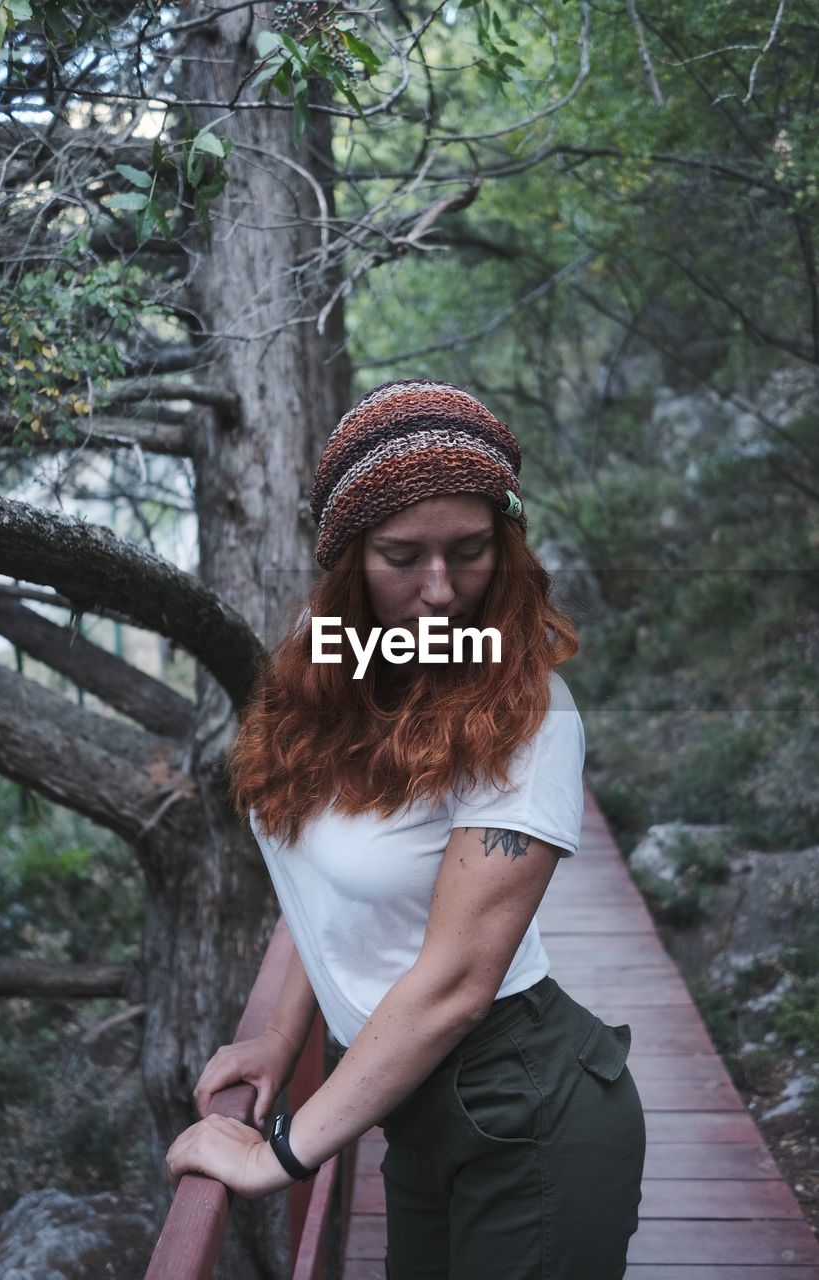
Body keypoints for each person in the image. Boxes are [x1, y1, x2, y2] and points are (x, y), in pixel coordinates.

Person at [166, 379, 646, 1280]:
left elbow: (460, 980)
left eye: (470, 553)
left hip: (524, 1111)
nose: (438, 593)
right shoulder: (331, 663)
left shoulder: (528, 713)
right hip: (407, 1112)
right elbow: (329, 882)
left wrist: (278, 1152)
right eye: (400, 556)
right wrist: (278, 1036)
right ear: (347, 560)